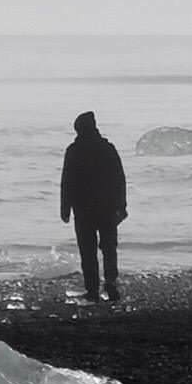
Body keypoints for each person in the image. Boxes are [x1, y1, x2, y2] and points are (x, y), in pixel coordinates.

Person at [60, 110, 128, 303]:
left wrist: (65, 208)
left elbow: (67, 181)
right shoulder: (108, 148)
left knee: (87, 251)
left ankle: (92, 289)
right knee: (109, 247)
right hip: (107, 207)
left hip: (83, 209)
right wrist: (121, 205)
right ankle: (111, 283)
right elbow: (119, 179)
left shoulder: (73, 150)